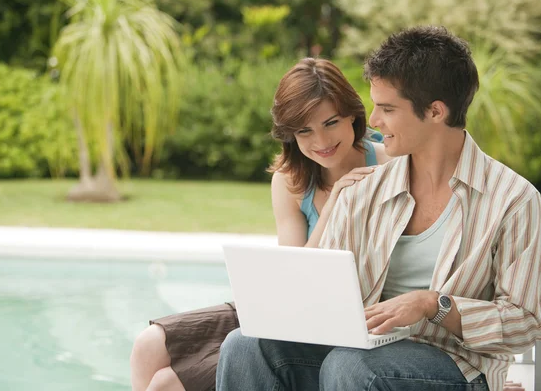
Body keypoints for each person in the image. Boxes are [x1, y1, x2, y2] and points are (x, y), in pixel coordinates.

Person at [216, 26, 541, 391]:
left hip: (455, 366)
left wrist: (432, 304)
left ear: (436, 111)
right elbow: (318, 293)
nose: (373, 121)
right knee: (246, 345)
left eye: (387, 109)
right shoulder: (364, 191)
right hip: (362, 352)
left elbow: (523, 325)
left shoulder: (513, 200)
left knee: (353, 366)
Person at [129, 58, 389, 391]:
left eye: (331, 122)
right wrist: (335, 202)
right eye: (304, 130)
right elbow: (295, 275)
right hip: (288, 309)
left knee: (165, 383)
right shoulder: (290, 181)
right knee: (147, 345)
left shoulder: (386, 164)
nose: (320, 140)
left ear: (353, 114)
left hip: (335, 321)